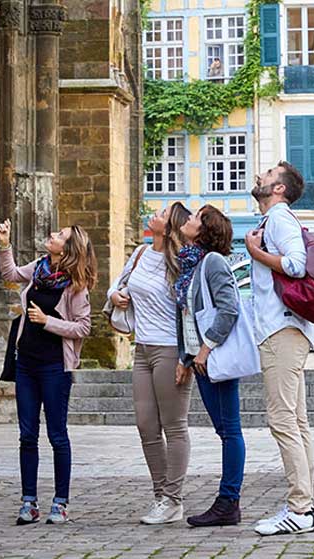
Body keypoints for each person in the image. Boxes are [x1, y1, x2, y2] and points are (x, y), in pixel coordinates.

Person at [0, 219, 97, 526]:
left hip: (54, 366)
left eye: (59, 235)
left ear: (67, 249)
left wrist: (47, 321)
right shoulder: (40, 269)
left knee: (57, 435)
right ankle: (29, 501)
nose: (52, 235)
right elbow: (12, 275)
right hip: (26, 361)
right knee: (27, 434)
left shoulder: (74, 285)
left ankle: (60, 502)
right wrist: (5, 243)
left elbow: (83, 327)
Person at [245, 161, 314, 536]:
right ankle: (303, 503)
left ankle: (300, 509)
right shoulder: (275, 220)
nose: (260, 175)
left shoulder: (279, 219)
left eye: (269, 174)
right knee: (298, 421)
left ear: (279, 189)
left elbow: (294, 265)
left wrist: (255, 252)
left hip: (282, 331)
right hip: (288, 330)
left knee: (282, 420)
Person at [108, 202, 192, 525]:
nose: (154, 213)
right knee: (146, 424)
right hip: (142, 349)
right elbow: (118, 284)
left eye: (162, 213)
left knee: (174, 425)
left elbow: (189, 311)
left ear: (170, 227)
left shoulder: (180, 263)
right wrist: (116, 295)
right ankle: (161, 495)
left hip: (170, 349)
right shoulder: (141, 253)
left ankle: (173, 498)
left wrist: (186, 357)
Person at [173, 205, 246, 527]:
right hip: (200, 360)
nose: (187, 220)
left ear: (205, 229)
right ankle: (227, 501)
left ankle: (228, 501)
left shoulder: (213, 262)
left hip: (213, 358)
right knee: (224, 431)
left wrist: (204, 350)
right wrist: (185, 358)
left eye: (194, 218)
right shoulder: (192, 264)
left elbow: (229, 310)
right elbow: (187, 315)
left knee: (230, 431)